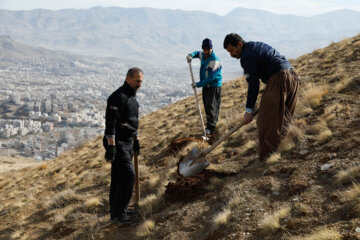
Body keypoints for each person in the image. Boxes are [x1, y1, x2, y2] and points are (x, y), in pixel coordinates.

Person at [223, 33, 299, 165]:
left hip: (278, 78)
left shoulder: (246, 56)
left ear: (239, 44)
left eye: (231, 50)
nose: (231, 54)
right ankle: (282, 148)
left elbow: (253, 84)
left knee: (266, 119)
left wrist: (248, 110)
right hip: (292, 75)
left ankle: (266, 158)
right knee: (284, 114)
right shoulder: (255, 46)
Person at [104, 67, 143, 224]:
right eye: (137, 80)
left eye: (141, 81)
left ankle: (117, 210)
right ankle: (118, 214)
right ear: (128, 79)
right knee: (128, 176)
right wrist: (111, 146)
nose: (139, 84)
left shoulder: (132, 97)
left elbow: (132, 121)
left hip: (128, 142)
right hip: (118, 143)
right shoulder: (118, 97)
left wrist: (136, 139)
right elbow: (111, 124)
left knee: (118, 177)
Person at [186, 38, 222, 135]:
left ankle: (211, 127)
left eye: (208, 50)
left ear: (211, 48)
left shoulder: (215, 61)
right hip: (206, 85)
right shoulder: (203, 54)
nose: (206, 52)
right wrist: (190, 55)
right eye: (204, 49)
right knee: (207, 104)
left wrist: (198, 84)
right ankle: (210, 125)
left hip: (213, 86)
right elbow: (197, 53)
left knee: (211, 105)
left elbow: (211, 78)